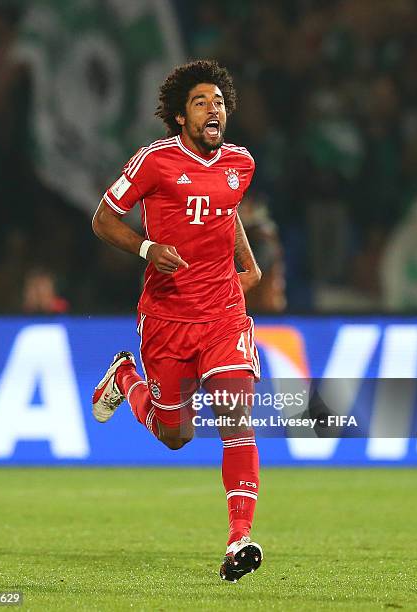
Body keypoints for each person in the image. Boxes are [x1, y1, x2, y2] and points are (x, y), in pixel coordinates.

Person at [92, 60, 263, 582]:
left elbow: (225, 209)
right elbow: (102, 218)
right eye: (200, 103)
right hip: (166, 317)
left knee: (236, 419)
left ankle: (240, 539)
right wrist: (147, 247)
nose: (214, 110)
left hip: (223, 316)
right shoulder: (154, 161)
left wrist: (247, 268)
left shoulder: (242, 162)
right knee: (175, 434)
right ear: (179, 116)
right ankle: (125, 377)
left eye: (220, 103)